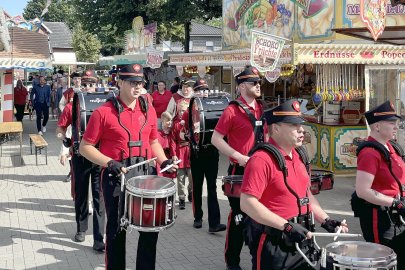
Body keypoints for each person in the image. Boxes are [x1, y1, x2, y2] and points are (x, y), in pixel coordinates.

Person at [79, 64, 177, 270]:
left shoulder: (148, 109)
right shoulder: (102, 112)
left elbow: (153, 141)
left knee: (150, 229)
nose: (137, 86)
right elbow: (85, 147)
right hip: (117, 175)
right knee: (116, 231)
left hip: (145, 173)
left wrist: (163, 161)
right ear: (119, 82)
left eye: (140, 82)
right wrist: (108, 162)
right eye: (132, 82)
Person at [240, 99, 348, 270]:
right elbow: (247, 203)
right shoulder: (261, 160)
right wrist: (287, 226)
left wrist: (326, 220)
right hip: (275, 242)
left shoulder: (300, 156)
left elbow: (306, 196)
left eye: (301, 125)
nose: (301, 130)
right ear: (275, 128)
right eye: (293, 125)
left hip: (304, 237)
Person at [211, 66, 267, 270]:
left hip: (261, 171)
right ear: (243, 86)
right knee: (238, 218)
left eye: (259, 82)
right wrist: (239, 157)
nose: (259, 85)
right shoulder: (232, 110)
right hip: (240, 171)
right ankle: (232, 262)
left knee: (260, 216)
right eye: (254, 82)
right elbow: (215, 139)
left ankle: (258, 258)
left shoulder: (262, 108)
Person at [353, 101, 405, 269]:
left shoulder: (392, 148)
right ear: (376, 126)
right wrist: (395, 203)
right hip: (379, 216)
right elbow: (363, 191)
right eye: (391, 123)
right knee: (383, 259)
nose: (396, 126)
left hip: (397, 214)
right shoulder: (370, 153)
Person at [56, 81, 105, 252]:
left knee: (100, 199)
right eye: (85, 83)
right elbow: (61, 127)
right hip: (79, 155)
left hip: (99, 157)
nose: (88, 86)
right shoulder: (72, 106)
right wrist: (64, 139)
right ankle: (81, 229)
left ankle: (99, 238)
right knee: (81, 195)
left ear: (97, 86)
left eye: (91, 84)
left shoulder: (104, 105)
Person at [181, 79, 226, 232]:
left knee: (212, 187)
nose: (203, 93)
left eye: (205, 89)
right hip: (196, 152)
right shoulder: (189, 110)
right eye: (200, 90)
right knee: (198, 186)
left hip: (212, 152)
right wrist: (188, 134)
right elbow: (181, 133)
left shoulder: (215, 108)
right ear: (195, 92)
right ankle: (198, 217)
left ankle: (214, 223)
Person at [170, 100, 193, 210]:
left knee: (192, 177)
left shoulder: (192, 122)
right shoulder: (175, 124)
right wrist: (174, 154)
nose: (181, 113)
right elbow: (173, 140)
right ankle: (182, 198)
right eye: (179, 111)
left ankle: (191, 192)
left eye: (183, 111)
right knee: (180, 178)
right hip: (180, 153)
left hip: (190, 152)